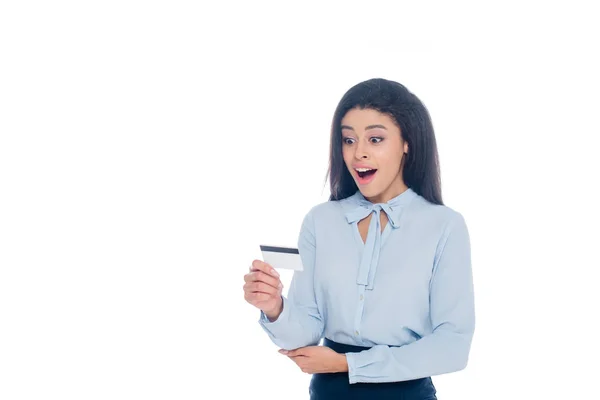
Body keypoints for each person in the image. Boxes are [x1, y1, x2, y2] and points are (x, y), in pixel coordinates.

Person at [243, 78, 475, 399]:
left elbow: (453, 345)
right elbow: (306, 330)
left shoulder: (444, 226)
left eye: (375, 139)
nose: (358, 153)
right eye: (348, 140)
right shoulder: (320, 221)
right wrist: (275, 308)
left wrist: (349, 364)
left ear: (407, 142)